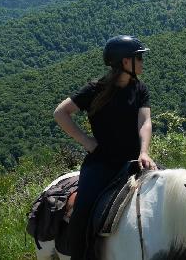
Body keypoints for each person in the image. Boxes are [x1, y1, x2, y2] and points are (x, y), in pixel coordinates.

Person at [54, 35, 158, 260]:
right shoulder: (95, 90)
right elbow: (60, 113)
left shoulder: (139, 88)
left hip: (134, 161)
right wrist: (87, 142)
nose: (142, 61)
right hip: (102, 163)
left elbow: (145, 122)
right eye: (138, 57)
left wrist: (144, 152)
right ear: (125, 62)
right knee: (82, 212)